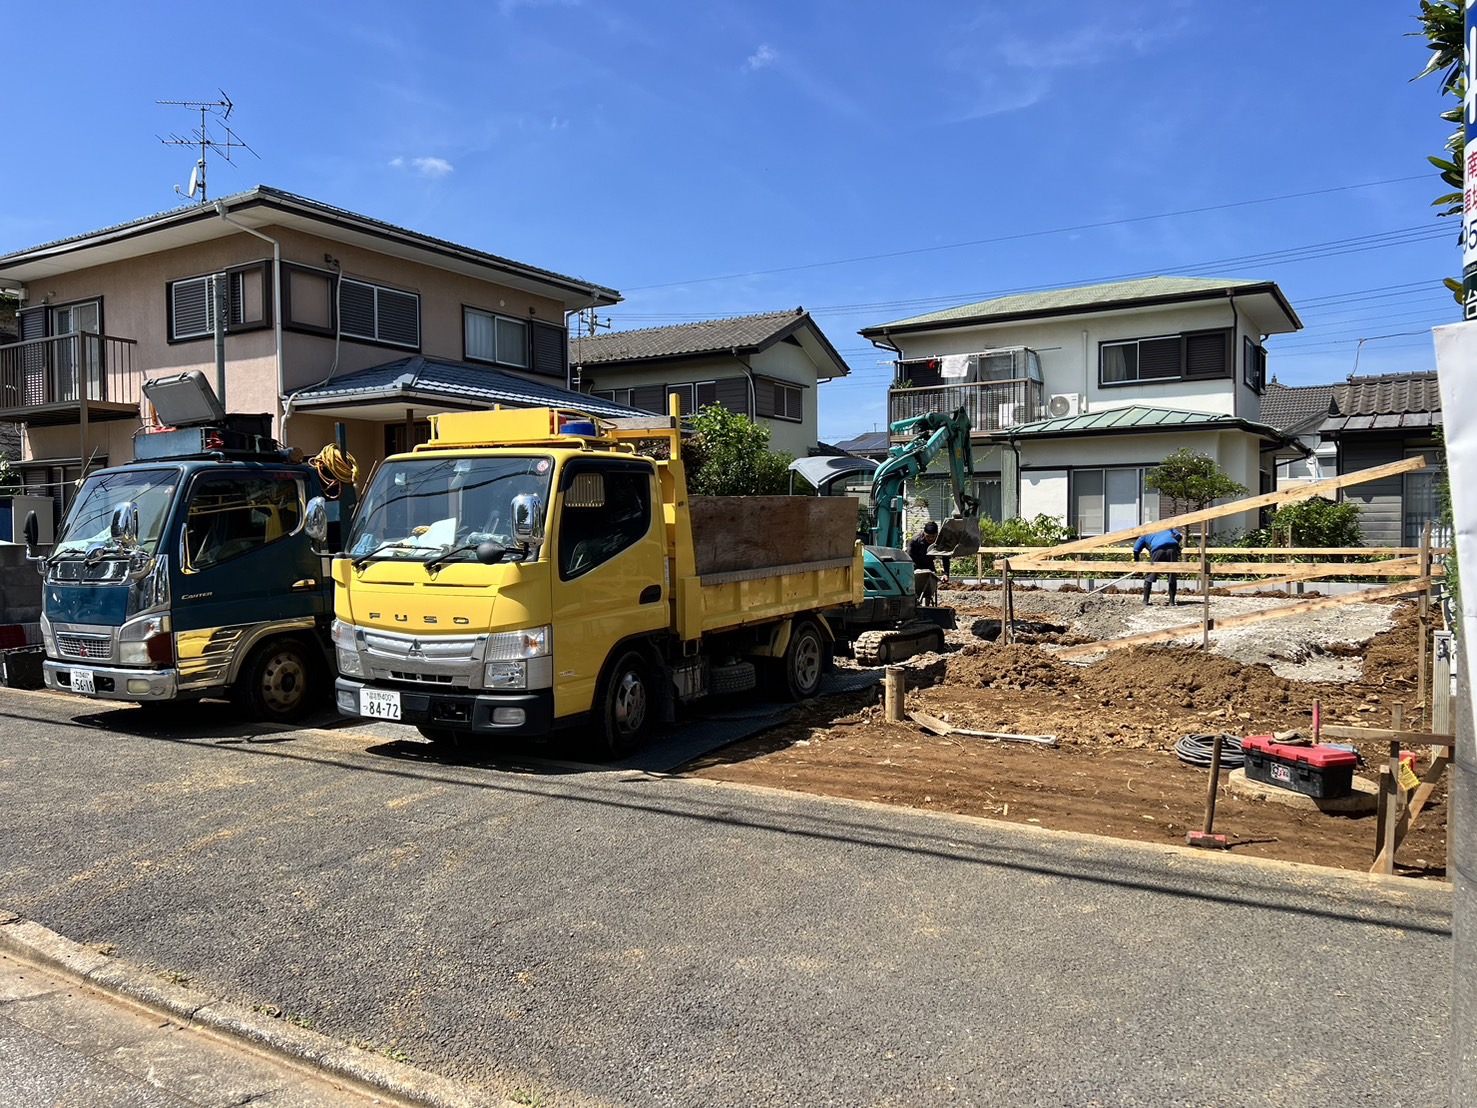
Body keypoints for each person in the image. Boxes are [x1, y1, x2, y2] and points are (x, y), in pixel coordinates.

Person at [1134, 527, 1184, 605]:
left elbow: (1136, 550)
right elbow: (1178, 535)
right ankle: (1171, 602)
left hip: (1158, 550)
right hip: (1172, 549)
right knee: (1172, 574)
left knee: (1151, 574)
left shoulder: (1144, 534)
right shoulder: (1166, 527)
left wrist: (1137, 564)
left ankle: (1145, 601)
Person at [908, 521, 947, 604]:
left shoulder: (940, 541)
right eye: (928, 536)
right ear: (924, 534)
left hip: (929, 565)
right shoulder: (915, 540)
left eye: (933, 536)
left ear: (936, 535)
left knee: (929, 588)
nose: (930, 539)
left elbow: (945, 557)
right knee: (915, 589)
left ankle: (928, 602)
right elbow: (909, 557)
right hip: (916, 565)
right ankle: (915, 603)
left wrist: (946, 573)